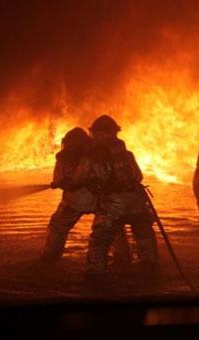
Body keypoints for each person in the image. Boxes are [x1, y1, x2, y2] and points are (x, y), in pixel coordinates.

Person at [76, 115, 158, 283]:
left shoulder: (93, 155)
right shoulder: (127, 154)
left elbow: (79, 178)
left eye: (94, 133)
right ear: (115, 133)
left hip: (113, 204)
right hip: (137, 202)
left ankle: (96, 277)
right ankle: (151, 271)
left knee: (100, 240)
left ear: (99, 133)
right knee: (144, 237)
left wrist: (68, 181)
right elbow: (138, 176)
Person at [44, 127, 131, 267]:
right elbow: (106, 176)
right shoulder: (97, 153)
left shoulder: (64, 156)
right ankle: (123, 258)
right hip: (100, 200)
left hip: (74, 202)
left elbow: (60, 179)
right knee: (114, 227)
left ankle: (50, 258)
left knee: (58, 226)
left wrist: (59, 183)